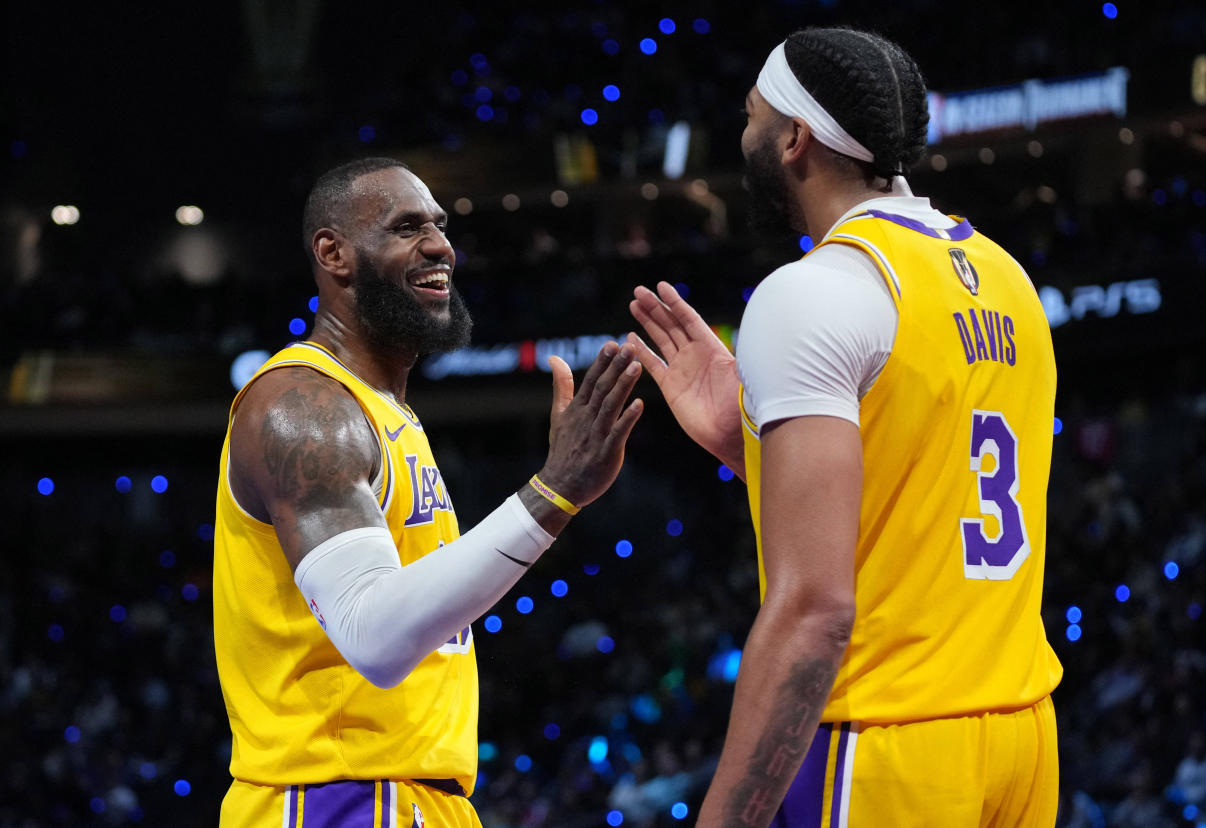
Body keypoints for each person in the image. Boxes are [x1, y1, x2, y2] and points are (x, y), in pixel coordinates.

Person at [628, 27, 1062, 827]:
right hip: (1022, 733)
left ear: (794, 139)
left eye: (752, 116)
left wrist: (724, 815)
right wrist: (748, 444)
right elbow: (928, 491)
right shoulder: (1009, 277)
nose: (743, 134)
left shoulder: (811, 291)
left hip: (887, 739)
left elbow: (815, 609)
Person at [213, 157, 644, 827]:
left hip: (412, 795)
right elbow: (374, 633)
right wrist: (554, 492)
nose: (441, 245)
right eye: (408, 227)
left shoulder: (388, 413)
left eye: (440, 227)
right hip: (335, 796)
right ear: (334, 253)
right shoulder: (301, 407)